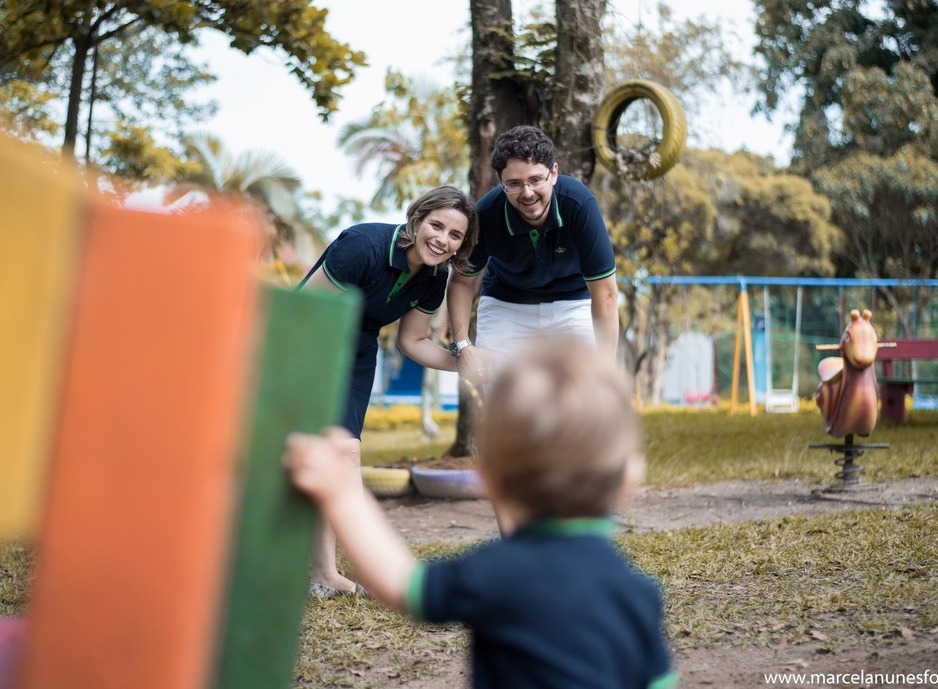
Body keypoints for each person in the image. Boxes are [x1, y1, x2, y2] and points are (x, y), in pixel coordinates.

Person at [284, 337, 675, 689]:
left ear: (489, 479)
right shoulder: (639, 594)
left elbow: (400, 582)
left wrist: (342, 496)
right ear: (627, 480)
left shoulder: (495, 572)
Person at [299, 185, 478, 596]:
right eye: (437, 225)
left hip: (358, 349)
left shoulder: (436, 277)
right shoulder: (362, 245)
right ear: (416, 220)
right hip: (308, 340)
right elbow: (307, 311)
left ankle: (323, 575)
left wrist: (464, 365)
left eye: (455, 236)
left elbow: (412, 341)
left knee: (344, 451)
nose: (442, 240)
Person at [445, 125, 619, 386]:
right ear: (500, 183)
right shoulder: (486, 215)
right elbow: (461, 280)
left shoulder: (579, 205)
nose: (527, 193)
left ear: (554, 174)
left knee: (584, 393)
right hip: (506, 303)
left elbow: (605, 295)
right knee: (501, 396)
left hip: (571, 301)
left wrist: (607, 369)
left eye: (535, 180)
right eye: (514, 184)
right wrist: (463, 344)